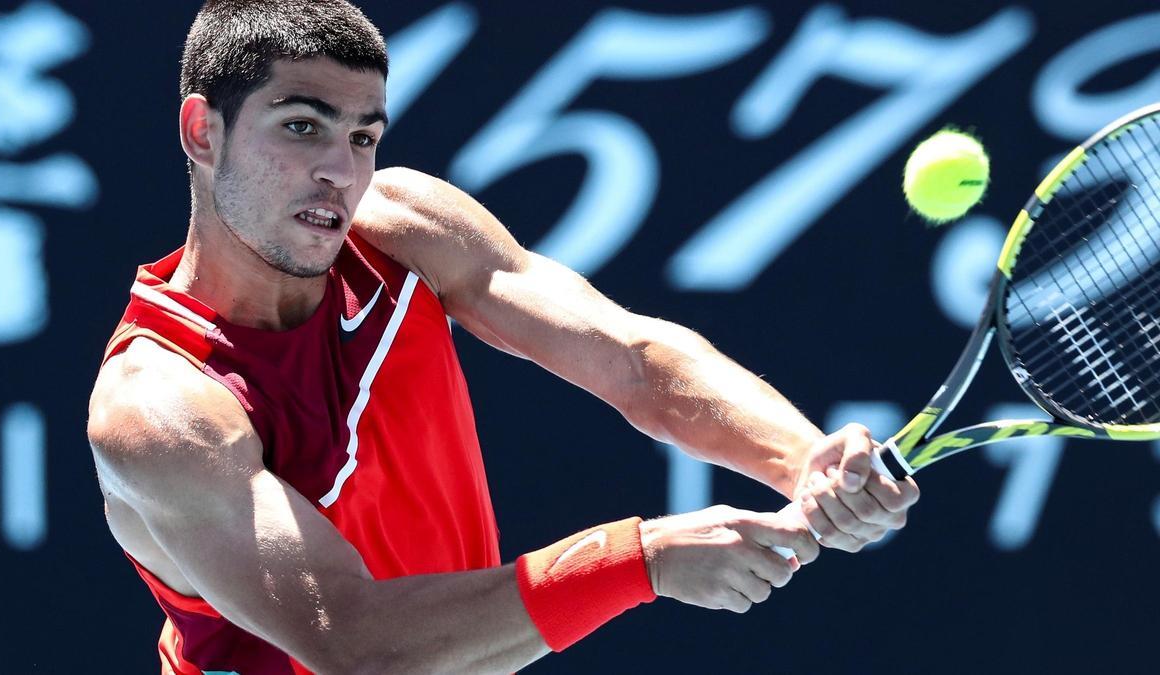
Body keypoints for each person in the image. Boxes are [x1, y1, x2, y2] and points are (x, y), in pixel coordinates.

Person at [86, 1, 919, 673]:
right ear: (203, 131)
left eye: (363, 135)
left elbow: (633, 358)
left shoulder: (401, 227)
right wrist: (642, 558)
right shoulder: (159, 406)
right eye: (301, 126)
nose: (341, 170)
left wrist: (807, 461)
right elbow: (357, 645)